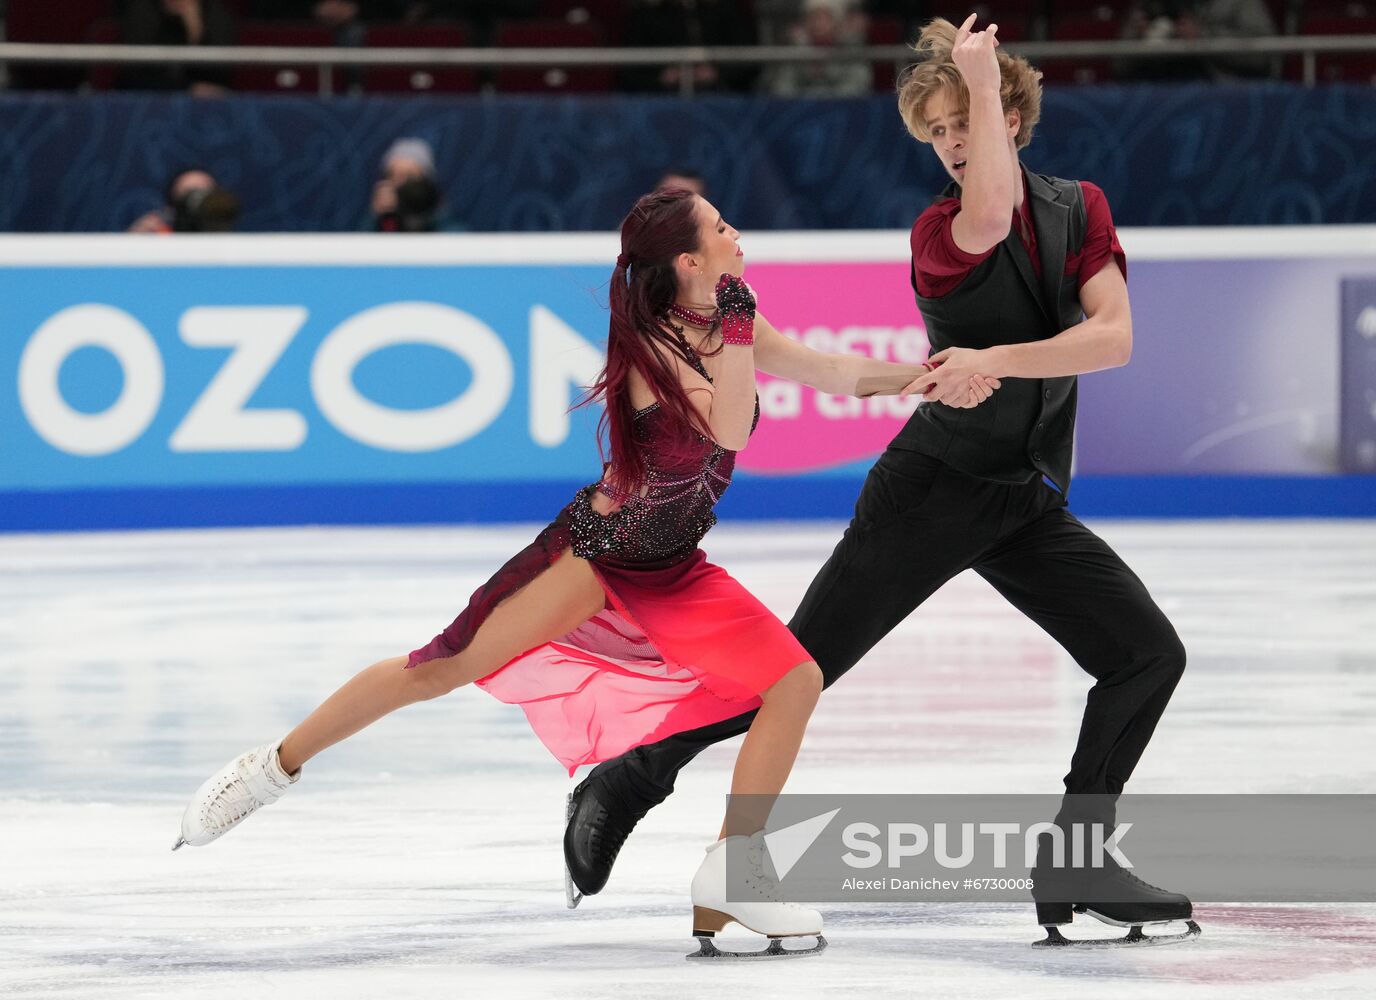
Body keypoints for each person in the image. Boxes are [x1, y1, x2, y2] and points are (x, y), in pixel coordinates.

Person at [172, 187, 974, 958]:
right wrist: (737, 335)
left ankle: (737, 870)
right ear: (691, 263)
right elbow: (731, 427)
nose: (739, 239)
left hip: (672, 565)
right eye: (723, 229)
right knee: (438, 669)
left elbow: (830, 370)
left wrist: (928, 378)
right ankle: (268, 770)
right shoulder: (654, 348)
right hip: (593, 558)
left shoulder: (726, 321)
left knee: (794, 680)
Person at [564, 14, 1198, 948]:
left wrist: (998, 359)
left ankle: (1078, 858)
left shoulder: (1080, 207)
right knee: (800, 669)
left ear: (1016, 117)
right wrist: (978, 86)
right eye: (937, 129)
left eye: (964, 122)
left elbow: (1114, 339)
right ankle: (632, 775)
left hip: (1021, 497)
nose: (950, 144)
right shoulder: (941, 232)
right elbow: (991, 214)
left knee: (1147, 655)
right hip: (932, 488)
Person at [118, 0, 236, 95]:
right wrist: (185, 88)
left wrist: (196, 34)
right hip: (147, 100)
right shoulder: (142, 10)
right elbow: (137, 73)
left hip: (204, 106)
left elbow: (219, 75)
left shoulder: (215, 14)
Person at [764, 0, 873, 98]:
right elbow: (782, 86)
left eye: (824, 18)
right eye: (813, 17)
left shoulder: (851, 49)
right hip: (800, 112)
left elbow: (858, 85)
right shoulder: (795, 50)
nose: (818, 24)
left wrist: (824, 100)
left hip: (843, 111)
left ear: (836, 22)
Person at [366, 137, 461, 232]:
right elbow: (362, 244)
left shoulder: (445, 224)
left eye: (409, 176)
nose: (399, 182)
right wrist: (375, 217)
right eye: (392, 175)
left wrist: (434, 213)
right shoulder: (381, 222)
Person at [127, 168, 240, 233]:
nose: (196, 201)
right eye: (188, 194)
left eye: (204, 194)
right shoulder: (157, 234)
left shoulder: (236, 246)